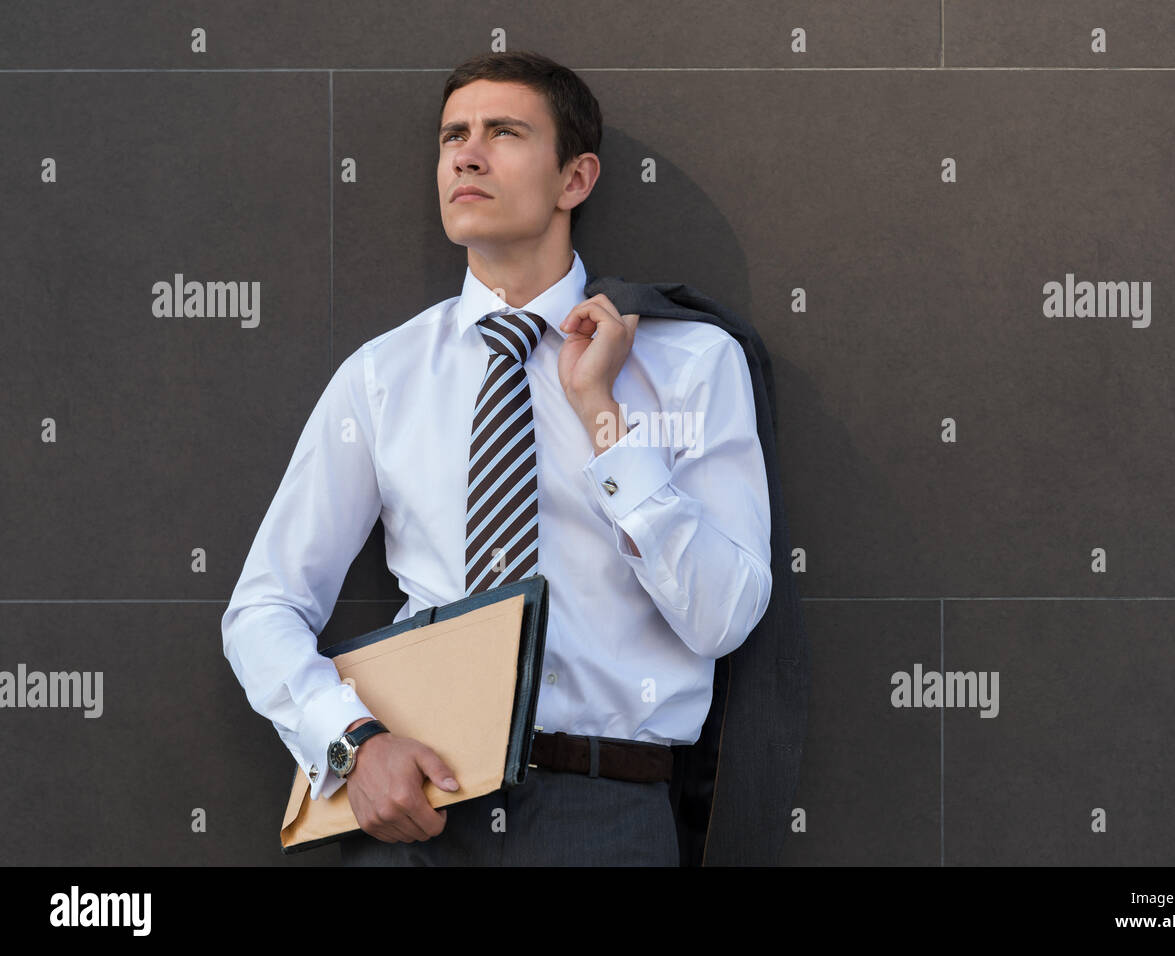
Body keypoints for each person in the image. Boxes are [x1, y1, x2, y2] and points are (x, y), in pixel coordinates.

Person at [220, 49, 773, 866]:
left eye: (505, 132)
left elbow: (723, 618)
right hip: (420, 814)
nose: (467, 155)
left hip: (606, 816)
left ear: (575, 179)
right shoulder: (382, 376)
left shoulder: (692, 363)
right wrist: (352, 746)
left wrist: (602, 417)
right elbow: (263, 609)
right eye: (453, 137)